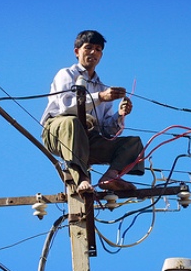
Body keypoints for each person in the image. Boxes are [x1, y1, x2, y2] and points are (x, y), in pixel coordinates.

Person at [41, 30, 144, 194]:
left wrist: (120, 115)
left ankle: (111, 177)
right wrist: (101, 97)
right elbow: (66, 107)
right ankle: (82, 178)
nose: (93, 53)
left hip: (88, 141)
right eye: (88, 48)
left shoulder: (102, 87)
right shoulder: (67, 74)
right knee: (72, 122)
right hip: (59, 132)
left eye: (98, 49)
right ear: (77, 51)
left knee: (133, 143)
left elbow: (108, 131)